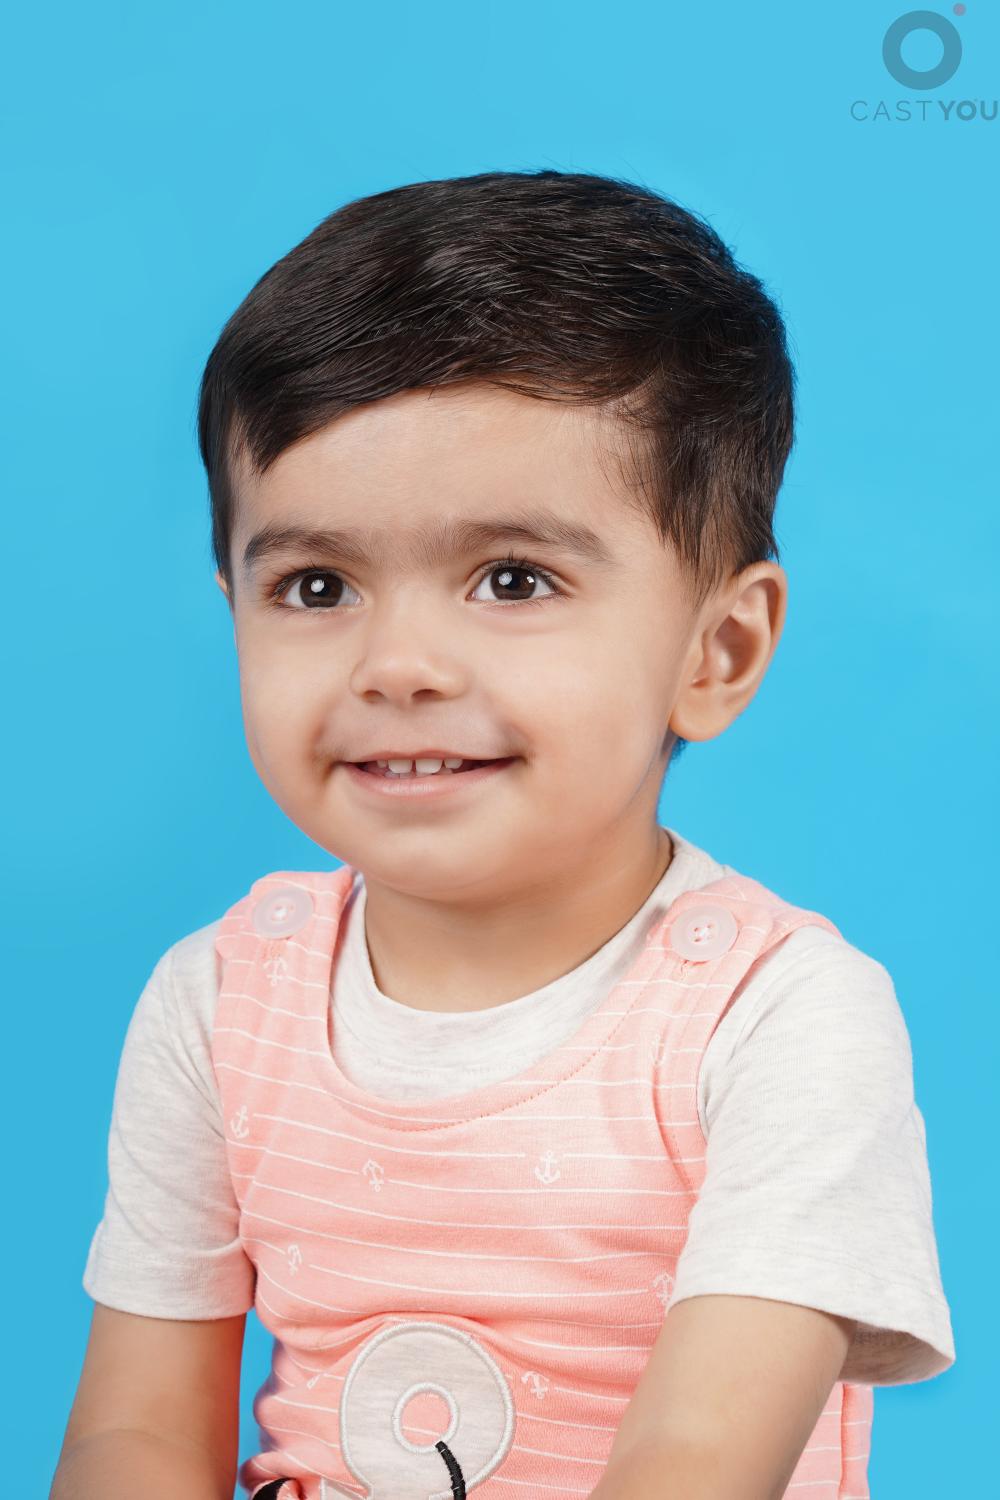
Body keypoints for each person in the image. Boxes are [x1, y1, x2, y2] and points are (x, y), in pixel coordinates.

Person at [51, 169, 955, 1500]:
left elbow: (696, 1462)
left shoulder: (779, 1018)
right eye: (316, 585)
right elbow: (135, 1437)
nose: (398, 665)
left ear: (717, 650)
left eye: (513, 579)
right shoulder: (224, 998)